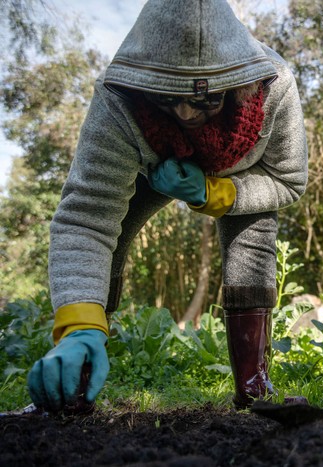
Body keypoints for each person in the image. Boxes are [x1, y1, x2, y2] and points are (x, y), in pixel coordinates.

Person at [27, 0, 308, 410]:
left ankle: (255, 388)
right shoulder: (118, 100)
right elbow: (87, 218)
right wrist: (78, 327)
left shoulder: (275, 86)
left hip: (240, 179)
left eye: (205, 102)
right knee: (111, 239)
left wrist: (215, 194)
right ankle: (77, 377)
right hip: (151, 171)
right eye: (166, 98)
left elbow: (288, 179)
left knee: (254, 232)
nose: (184, 113)